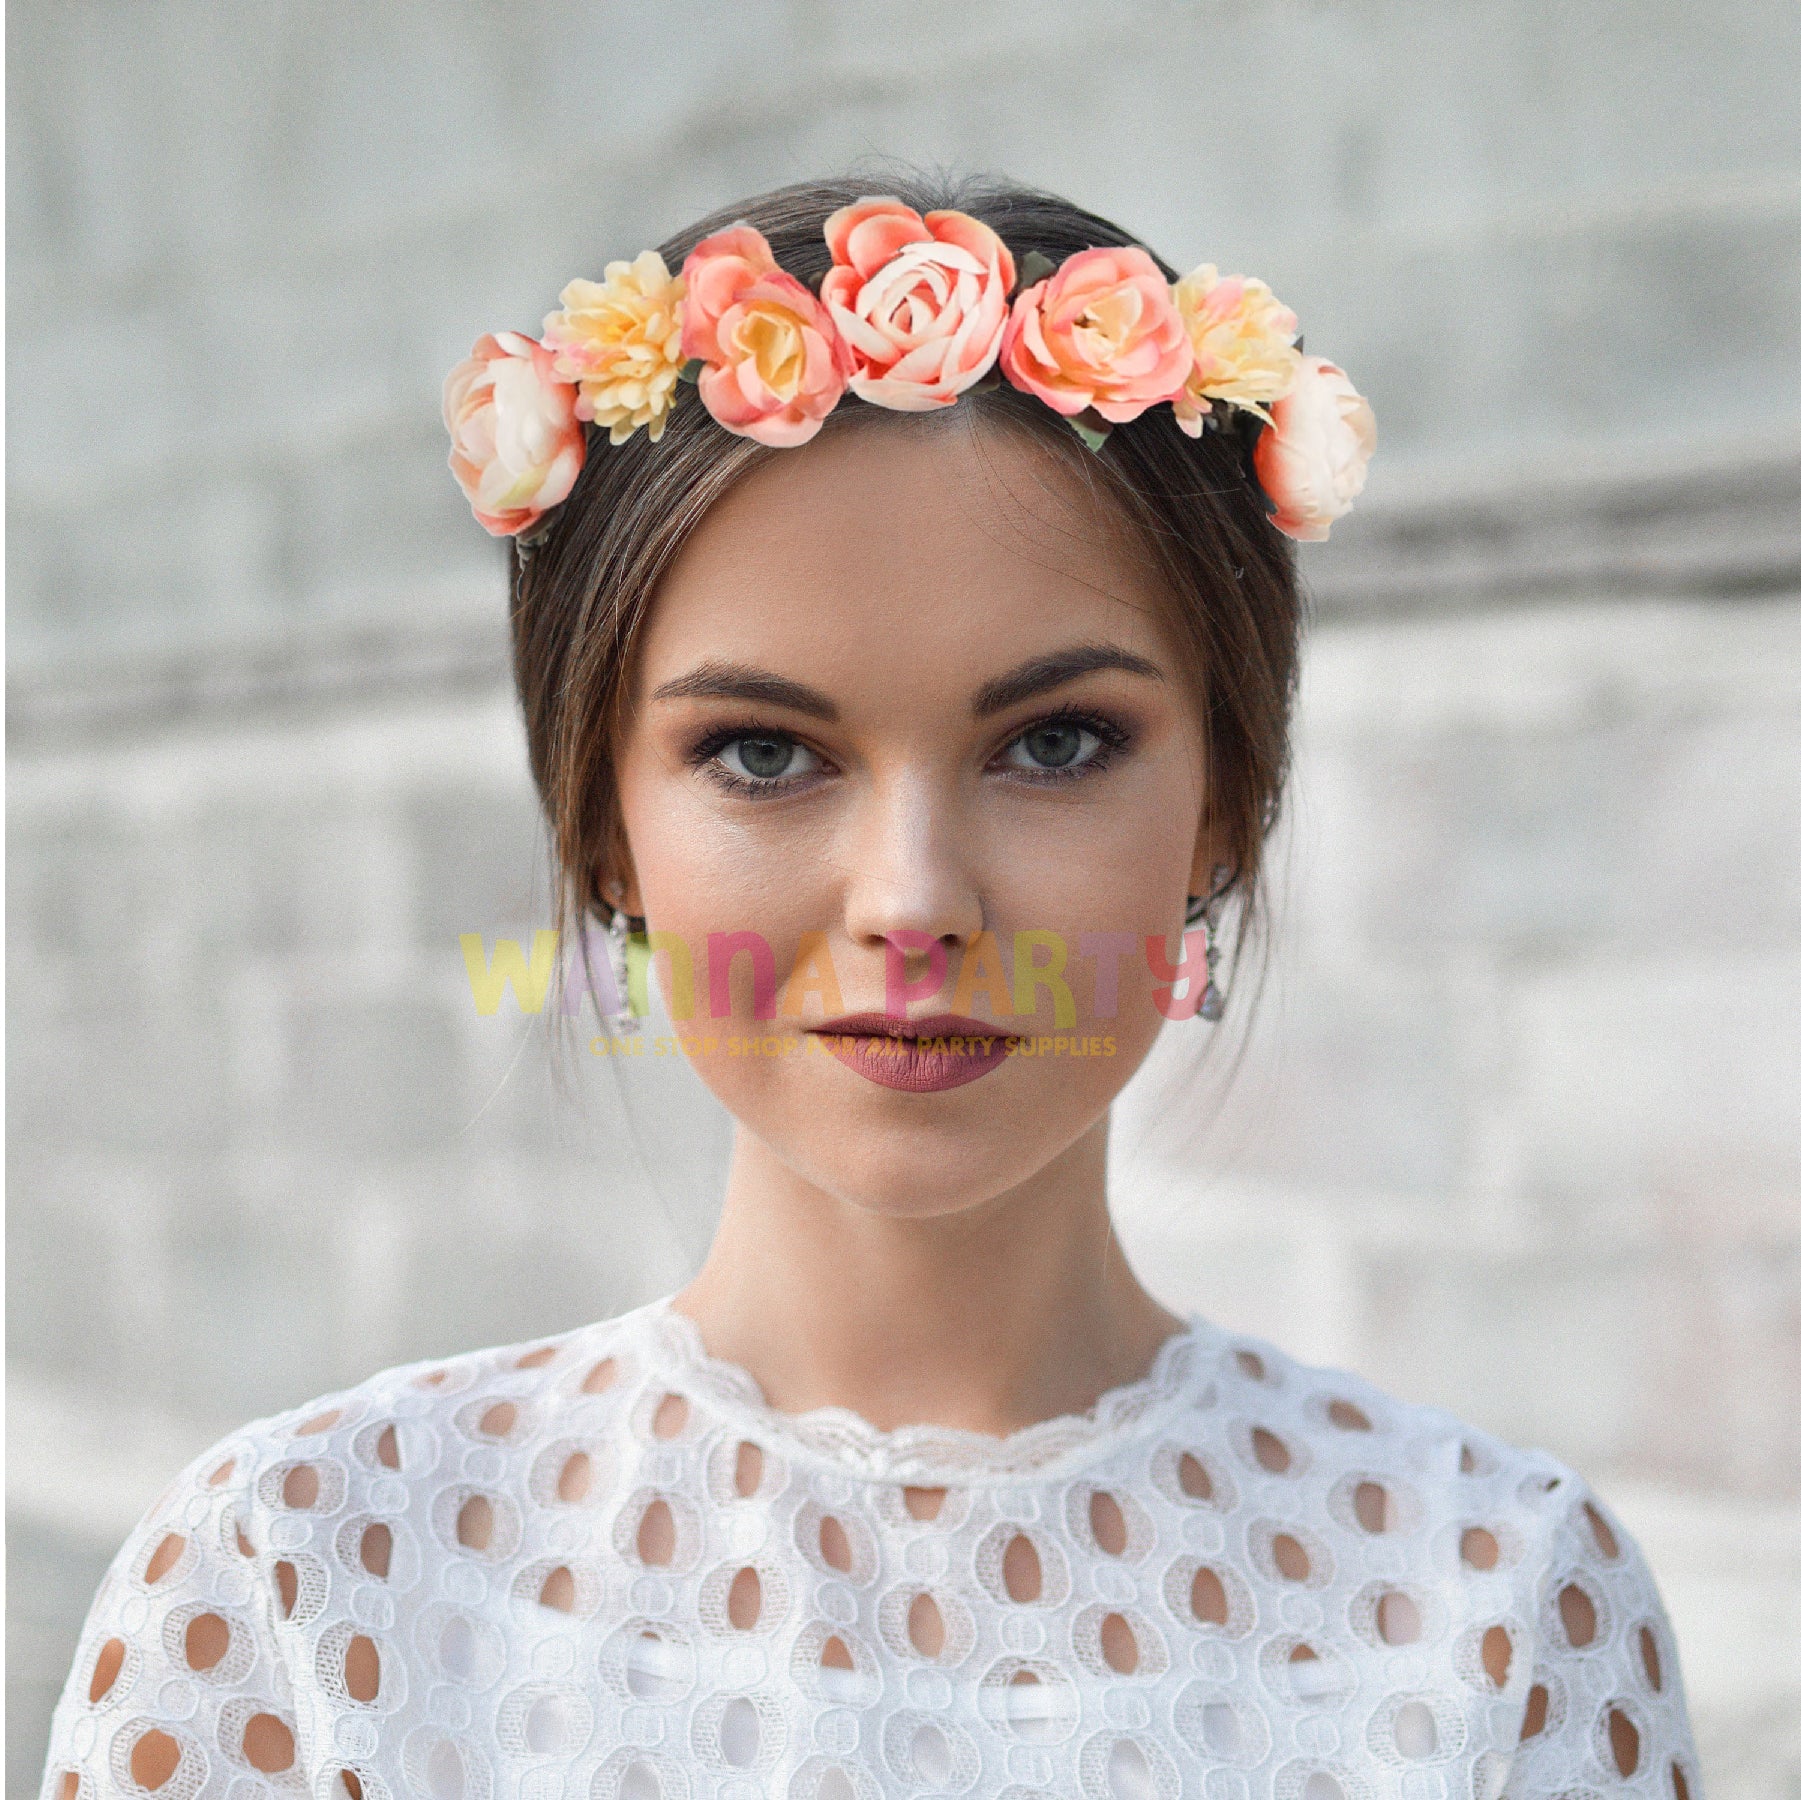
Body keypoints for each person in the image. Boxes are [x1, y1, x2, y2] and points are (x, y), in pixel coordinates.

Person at [42, 174, 1697, 1800]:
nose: (913, 901)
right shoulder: (301, 1593)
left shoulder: (1494, 1609)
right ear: (603, 831)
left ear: (1220, 806)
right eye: (762, 752)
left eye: (1055, 744)